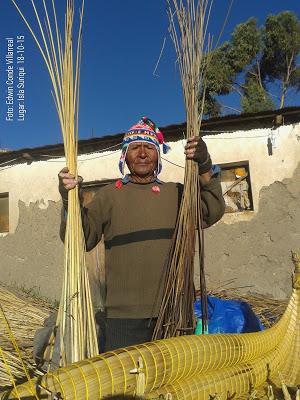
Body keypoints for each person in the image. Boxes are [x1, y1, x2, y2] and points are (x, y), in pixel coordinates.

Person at [58, 117, 225, 352]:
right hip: (123, 318)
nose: (143, 154)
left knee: (174, 382)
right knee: (127, 384)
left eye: (149, 147)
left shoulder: (177, 193)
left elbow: (213, 210)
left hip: (174, 312)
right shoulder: (109, 196)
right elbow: (81, 240)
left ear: (158, 155)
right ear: (124, 156)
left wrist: (205, 165)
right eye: (135, 147)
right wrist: (70, 200)